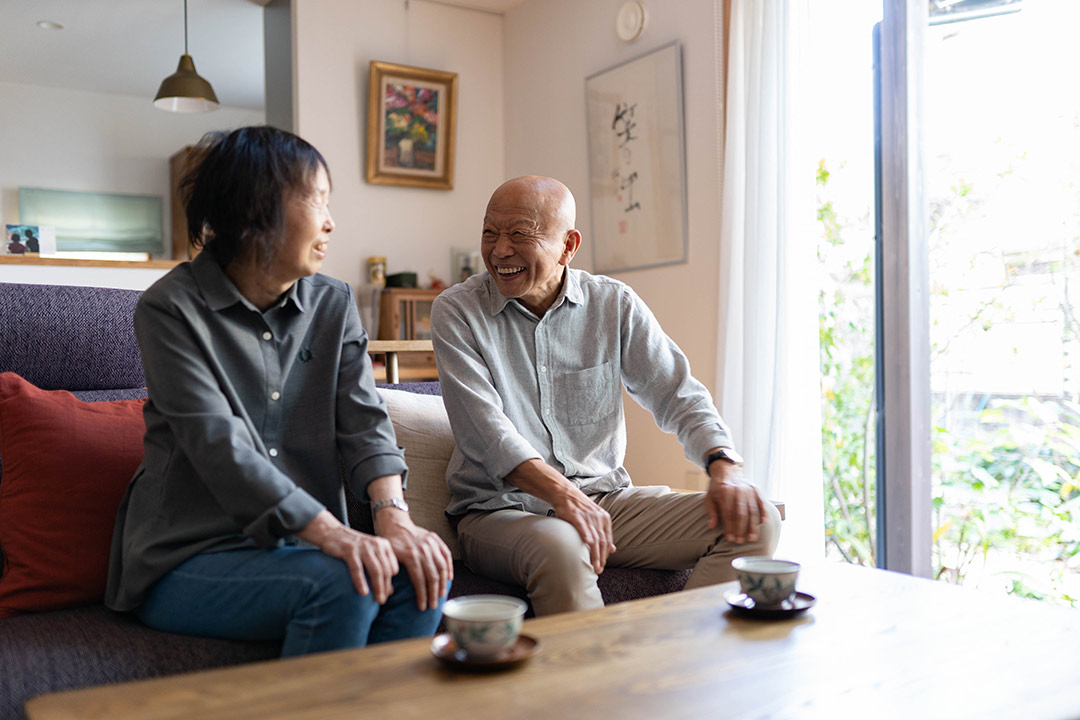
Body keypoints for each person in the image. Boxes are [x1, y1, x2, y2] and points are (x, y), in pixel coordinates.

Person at [105, 126, 453, 656]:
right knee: (345, 583)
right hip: (189, 555)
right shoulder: (170, 309)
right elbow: (219, 447)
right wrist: (333, 535)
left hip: (298, 549)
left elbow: (364, 422)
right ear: (254, 211)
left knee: (425, 571)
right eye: (317, 201)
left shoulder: (332, 304)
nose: (332, 222)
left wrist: (394, 517)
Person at [430, 175, 780, 616]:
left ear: (568, 246)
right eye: (489, 233)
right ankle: (602, 681)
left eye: (519, 234)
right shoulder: (457, 311)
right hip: (498, 512)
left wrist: (723, 464)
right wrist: (564, 497)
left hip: (604, 500)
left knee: (756, 521)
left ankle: (680, 661)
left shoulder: (613, 304)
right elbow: (487, 433)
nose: (500, 250)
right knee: (560, 545)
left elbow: (676, 391)